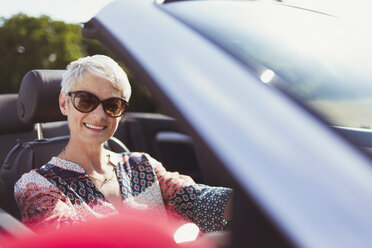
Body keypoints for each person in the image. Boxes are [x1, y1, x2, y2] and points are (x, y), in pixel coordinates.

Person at [14, 55, 232, 233]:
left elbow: (198, 200)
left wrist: (248, 202)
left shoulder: (143, 166)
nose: (99, 115)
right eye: (85, 100)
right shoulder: (38, 186)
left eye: (113, 105)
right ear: (64, 103)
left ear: (122, 112)